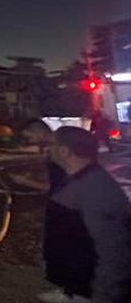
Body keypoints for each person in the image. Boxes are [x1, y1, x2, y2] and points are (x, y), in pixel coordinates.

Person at [40, 126, 131, 303]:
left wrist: (105, 295)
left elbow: (112, 248)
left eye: (51, 145)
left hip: (91, 289)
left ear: (64, 151)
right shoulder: (77, 178)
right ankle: (68, 292)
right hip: (77, 281)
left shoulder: (95, 188)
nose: (47, 149)